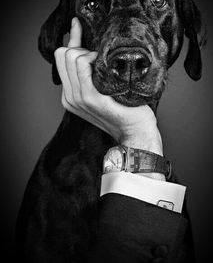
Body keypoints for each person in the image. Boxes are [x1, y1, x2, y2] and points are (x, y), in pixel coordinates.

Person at [50, 17, 195, 262]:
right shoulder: (46, 202)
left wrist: (139, 133)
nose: (130, 57)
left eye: (158, 1)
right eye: (94, 6)